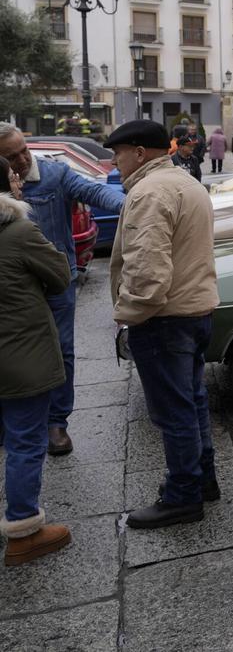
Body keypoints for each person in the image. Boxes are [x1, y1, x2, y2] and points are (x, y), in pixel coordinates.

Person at [105, 120, 220, 529]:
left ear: (139, 153)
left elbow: (147, 271)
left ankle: (183, 495)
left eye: (118, 154)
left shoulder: (150, 191)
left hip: (164, 319)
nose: (115, 164)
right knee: (191, 403)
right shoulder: (185, 182)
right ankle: (202, 479)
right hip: (195, 311)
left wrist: (127, 315)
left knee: (173, 412)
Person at [0, 122, 126, 455]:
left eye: (23, 150)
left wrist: (133, 206)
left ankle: (57, 423)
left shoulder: (55, 174)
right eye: (11, 157)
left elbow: (96, 192)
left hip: (58, 282)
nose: (22, 160)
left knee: (62, 351)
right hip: (14, 289)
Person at [0, 155, 74, 566]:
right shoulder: (19, 231)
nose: (18, 177)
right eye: (11, 173)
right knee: (26, 442)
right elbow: (59, 276)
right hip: (19, 355)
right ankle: (24, 530)